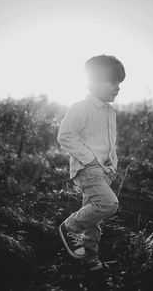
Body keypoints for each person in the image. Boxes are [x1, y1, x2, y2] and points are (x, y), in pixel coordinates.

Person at [57, 55, 126, 271]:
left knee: (93, 217)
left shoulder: (110, 111)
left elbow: (109, 143)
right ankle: (69, 226)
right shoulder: (81, 107)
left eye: (119, 83)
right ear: (93, 81)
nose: (117, 88)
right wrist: (89, 161)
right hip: (88, 169)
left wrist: (112, 166)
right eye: (112, 81)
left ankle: (89, 259)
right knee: (108, 204)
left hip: (104, 171)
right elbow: (65, 135)